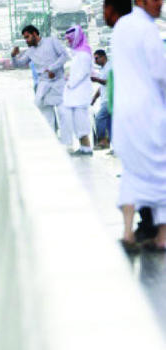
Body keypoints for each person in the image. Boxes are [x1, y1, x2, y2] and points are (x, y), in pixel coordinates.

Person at [107, 0, 166, 251]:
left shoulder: (121, 27)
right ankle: (163, 237)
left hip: (123, 113)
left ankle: (128, 233)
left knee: (132, 170)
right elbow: (161, 74)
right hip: (149, 111)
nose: (160, 3)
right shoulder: (148, 29)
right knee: (161, 170)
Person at [11, 25, 69, 131]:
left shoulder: (52, 41)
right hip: (43, 84)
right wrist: (13, 56)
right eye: (25, 38)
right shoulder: (30, 51)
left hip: (59, 82)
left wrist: (52, 68)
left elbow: (65, 56)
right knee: (45, 116)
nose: (26, 41)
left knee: (64, 114)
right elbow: (19, 65)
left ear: (34, 34)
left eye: (27, 37)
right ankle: (51, 142)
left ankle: (67, 144)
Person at [58, 25, 94, 156]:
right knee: (77, 123)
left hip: (80, 93)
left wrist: (70, 84)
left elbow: (83, 73)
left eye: (69, 39)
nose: (68, 42)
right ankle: (83, 148)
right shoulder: (78, 53)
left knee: (81, 123)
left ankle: (87, 149)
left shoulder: (84, 54)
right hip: (75, 94)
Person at [91, 49, 112, 149]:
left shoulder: (110, 67)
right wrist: (94, 98)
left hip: (110, 99)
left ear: (103, 57)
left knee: (99, 118)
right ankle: (113, 146)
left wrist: (96, 79)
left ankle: (102, 141)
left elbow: (109, 82)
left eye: (96, 58)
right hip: (104, 100)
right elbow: (101, 87)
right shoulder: (102, 69)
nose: (95, 61)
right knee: (109, 124)